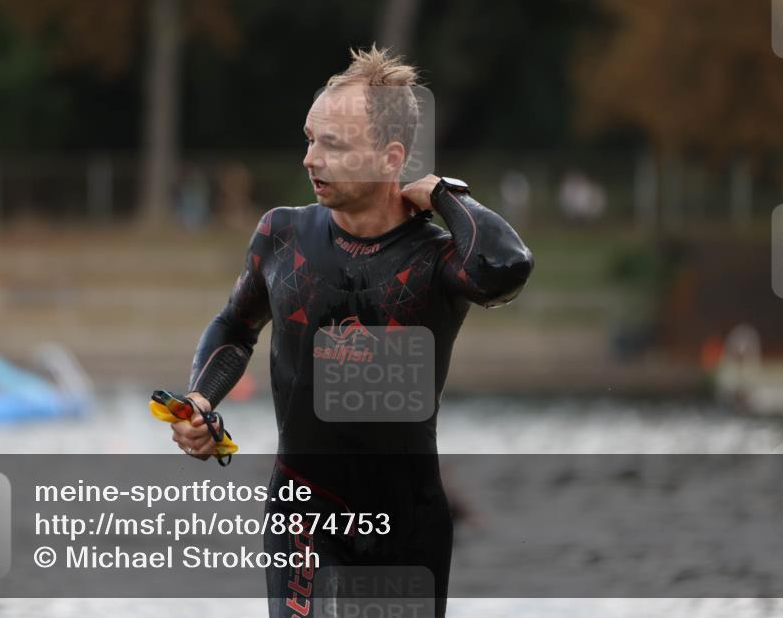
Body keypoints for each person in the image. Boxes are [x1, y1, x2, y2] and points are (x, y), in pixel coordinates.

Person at [169, 45, 534, 617]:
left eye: (332, 145)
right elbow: (235, 326)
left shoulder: (435, 258)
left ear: (391, 158)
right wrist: (200, 400)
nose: (310, 158)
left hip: (405, 525)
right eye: (309, 139)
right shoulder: (282, 235)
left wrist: (445, 193)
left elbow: (505, 267)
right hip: (302, 512)